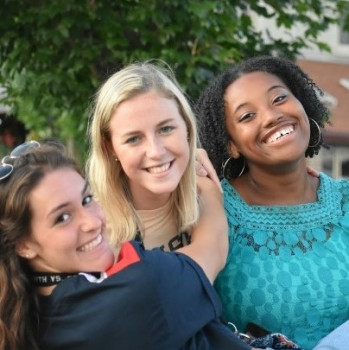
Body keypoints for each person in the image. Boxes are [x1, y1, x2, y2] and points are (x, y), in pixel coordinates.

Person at [0, 140, 258, 350]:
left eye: (87, 199)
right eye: (62, 217)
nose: (92, 222)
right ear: (23, 245)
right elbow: (212, 247)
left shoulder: (21, 313)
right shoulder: (133, 288)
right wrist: (205, 185)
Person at [195, 55, 349, 350]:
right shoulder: (212, 210)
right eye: (246, 116)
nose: (271, 116)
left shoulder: (346, 201)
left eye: (279, 99)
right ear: (231, 145)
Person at [87, 62, 220, 250]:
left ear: (187, 128)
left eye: (166, 129)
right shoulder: (93, 232)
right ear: (110, 148)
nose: (156, 152)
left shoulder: (214, 187)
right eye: (133, 139)